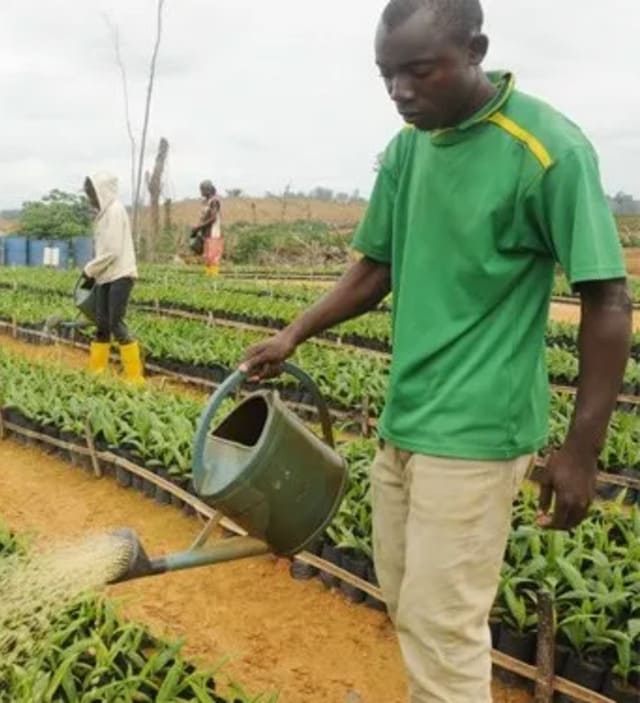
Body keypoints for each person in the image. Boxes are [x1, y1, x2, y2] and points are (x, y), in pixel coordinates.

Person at [238, 1, 631, 700]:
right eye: (387, 75)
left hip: (479, 430)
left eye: (419, 71)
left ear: (476, 50)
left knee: (442, 624)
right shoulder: (408, 147)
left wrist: (582, 449)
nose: (400, 92)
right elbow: (376, 268)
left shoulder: (547, 148)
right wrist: (294, 331)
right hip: (406, 419)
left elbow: (606, 299)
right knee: (409, 603)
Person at [83, 173, 142, 383]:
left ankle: (135, 379)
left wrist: (89, 269)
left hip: (120, 274)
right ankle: (96, 372)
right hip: (105, 276)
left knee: (116, 323)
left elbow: (113, 251)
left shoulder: (115, 211)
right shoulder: (103, 214)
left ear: (102, 191)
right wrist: (94, 273)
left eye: (92, 193)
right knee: (101, 323)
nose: (90, 198)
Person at [191, 180, 223, 276]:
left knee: (213, 258)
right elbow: (204, 217)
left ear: (208, 189)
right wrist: (197, 228)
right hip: (206, 233)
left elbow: (213, 218)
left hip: (213, 233)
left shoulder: (214, 201)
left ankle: (213, 278)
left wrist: (199, 227)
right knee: (208, 258)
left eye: (202, 190)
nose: (201, 192)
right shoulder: (206, 202)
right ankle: (209, 277)